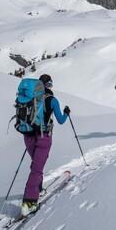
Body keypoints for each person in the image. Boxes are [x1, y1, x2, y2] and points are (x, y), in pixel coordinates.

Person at [21, 74, 70, 216]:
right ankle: (29, 203)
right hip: (43, 137)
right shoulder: (52, 100)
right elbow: (60, 120)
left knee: (36, 165)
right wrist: (66, 113)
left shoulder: (29, 98)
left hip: (28, 135)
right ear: (47, 85)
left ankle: (38, 187)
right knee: (37, 168)